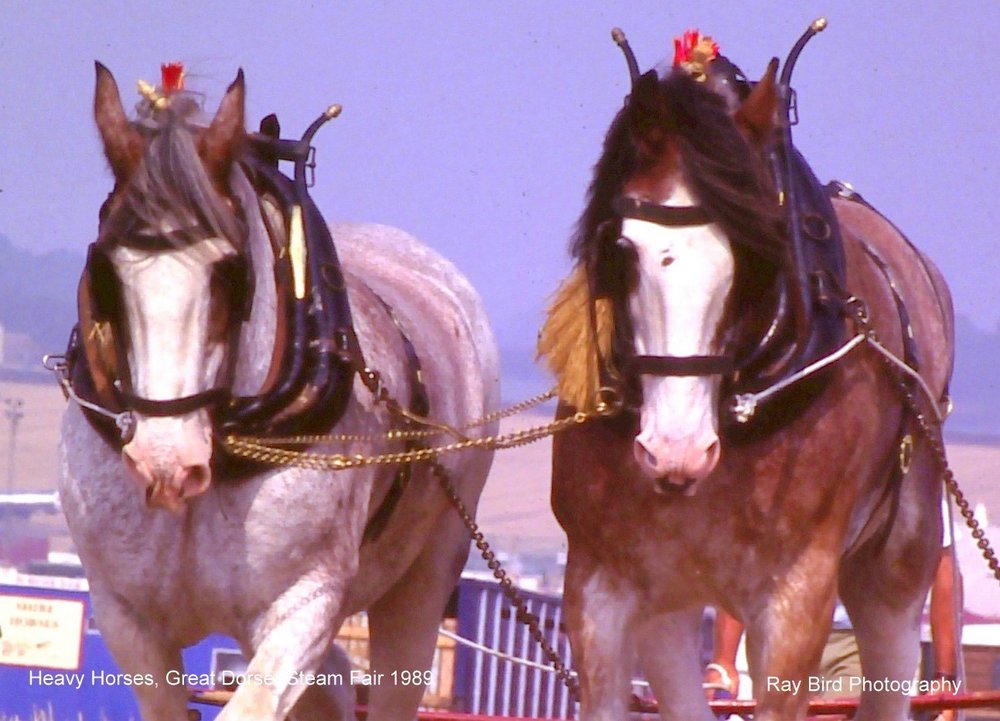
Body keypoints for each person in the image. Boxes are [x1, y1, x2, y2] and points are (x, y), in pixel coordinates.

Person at [704, 499, 963, 721]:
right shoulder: (782, 466)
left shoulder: (895, 464)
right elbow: (746, 556)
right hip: (783, 631)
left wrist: (944, 677)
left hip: (862, 640)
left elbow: (943, 568)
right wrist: (724, 662)